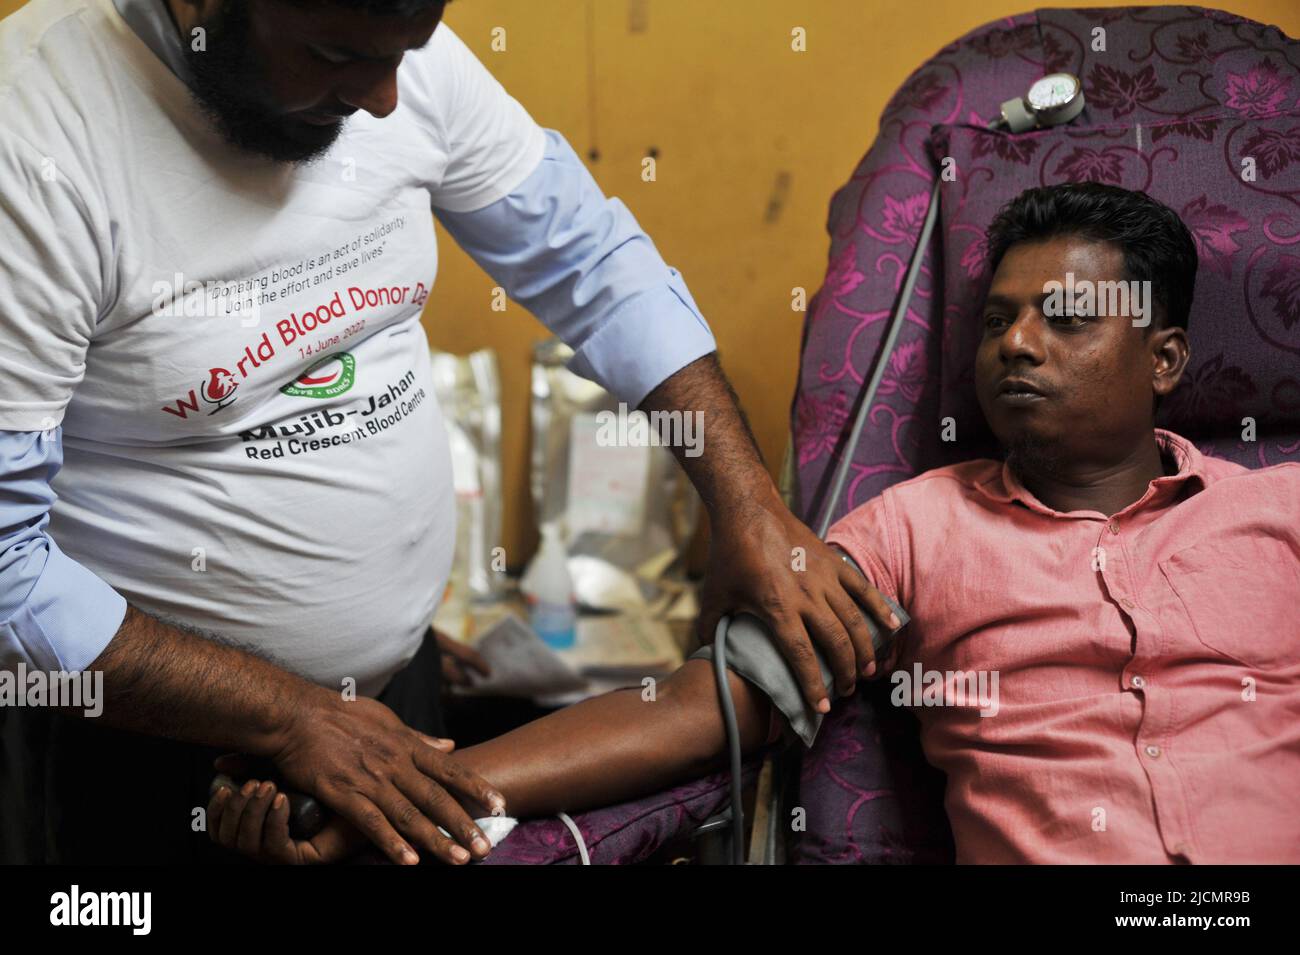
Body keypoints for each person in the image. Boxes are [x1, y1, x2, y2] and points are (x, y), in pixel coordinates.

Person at [0, 0, 899, 865]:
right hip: (140, 742)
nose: (386, 96)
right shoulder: (37, 137)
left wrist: (745, 503)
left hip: (391, 705)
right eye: (340, 57)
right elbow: (8, 572)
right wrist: (285, 714)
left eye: (406, 50)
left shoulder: (394, 64)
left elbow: (591, 262)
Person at [211, 182, 1300, 864]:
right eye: (999, 320)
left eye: (1063, 320)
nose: (1015, 345)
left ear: (1164, 361)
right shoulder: (915, 530)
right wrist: (417, 791)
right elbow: (712, 706)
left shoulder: (1279, 511)